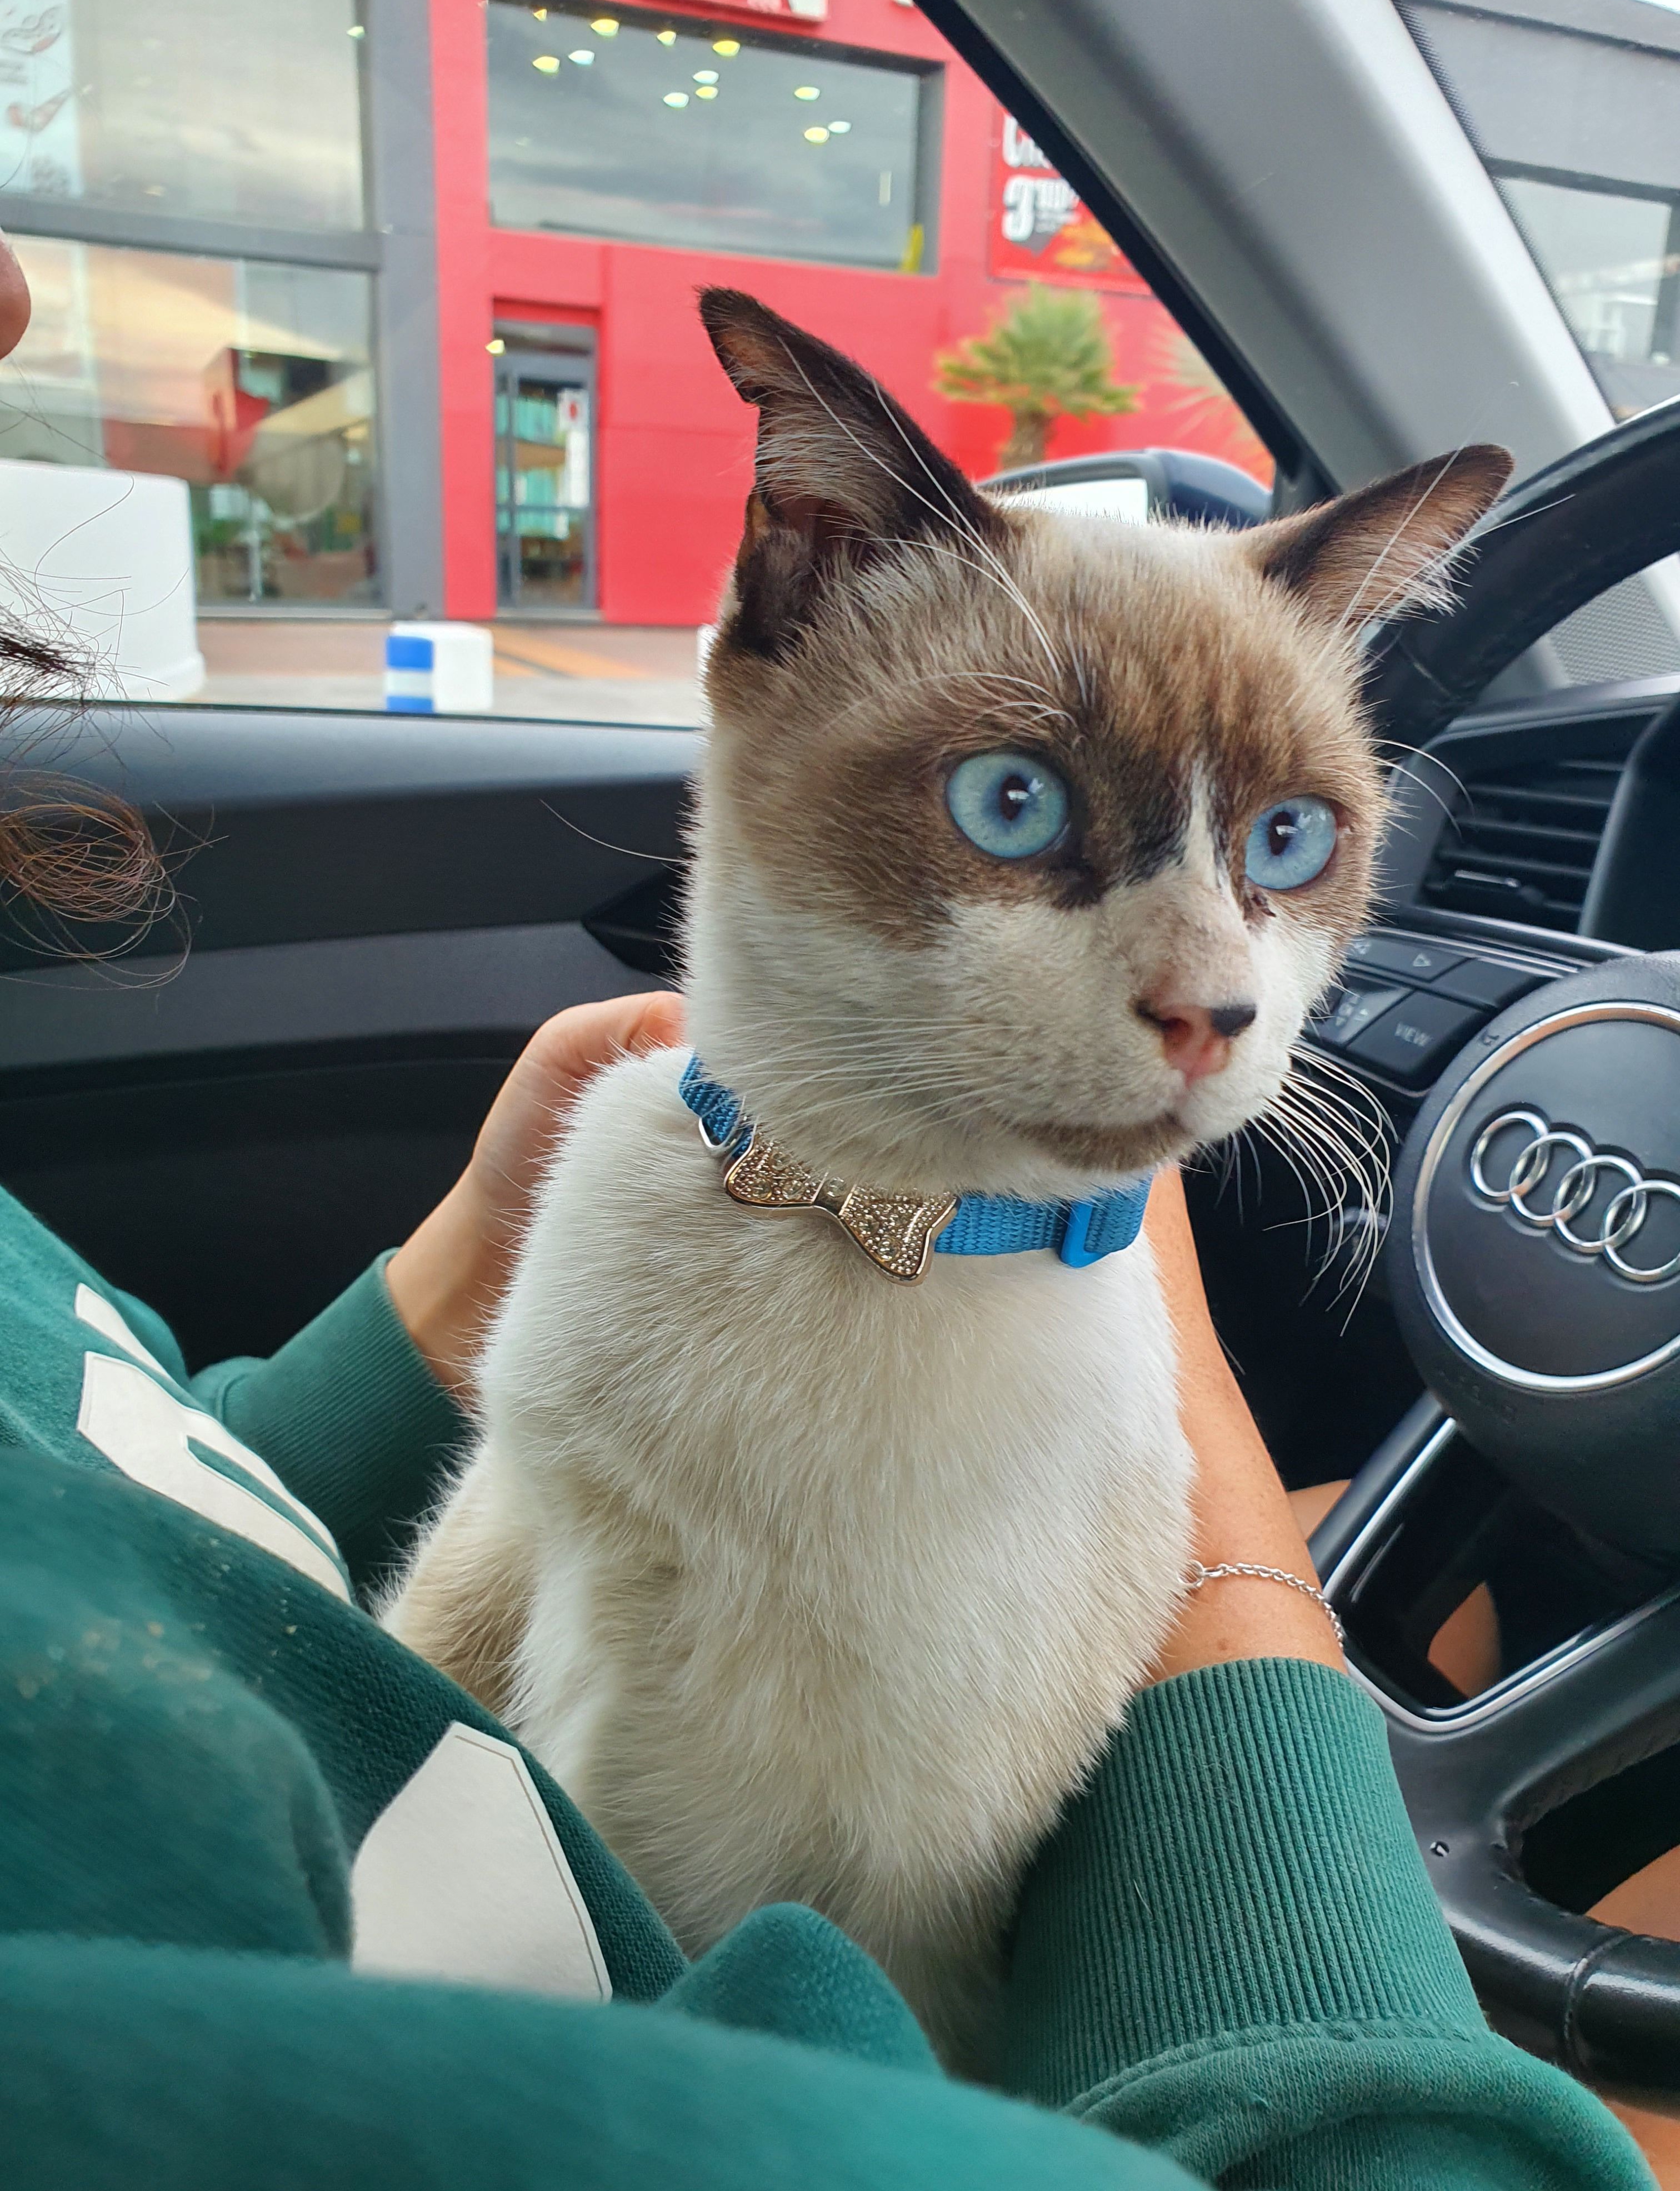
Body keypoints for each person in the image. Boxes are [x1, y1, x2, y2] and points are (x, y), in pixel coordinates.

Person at [0, 233, 1649, 2189]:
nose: (1213, 989)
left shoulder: (583, 1169)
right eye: (1016, 805)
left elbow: (138, 1509)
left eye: (1289, 847)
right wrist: (1245, 1590)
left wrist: (429, 1315)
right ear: (797, 604)